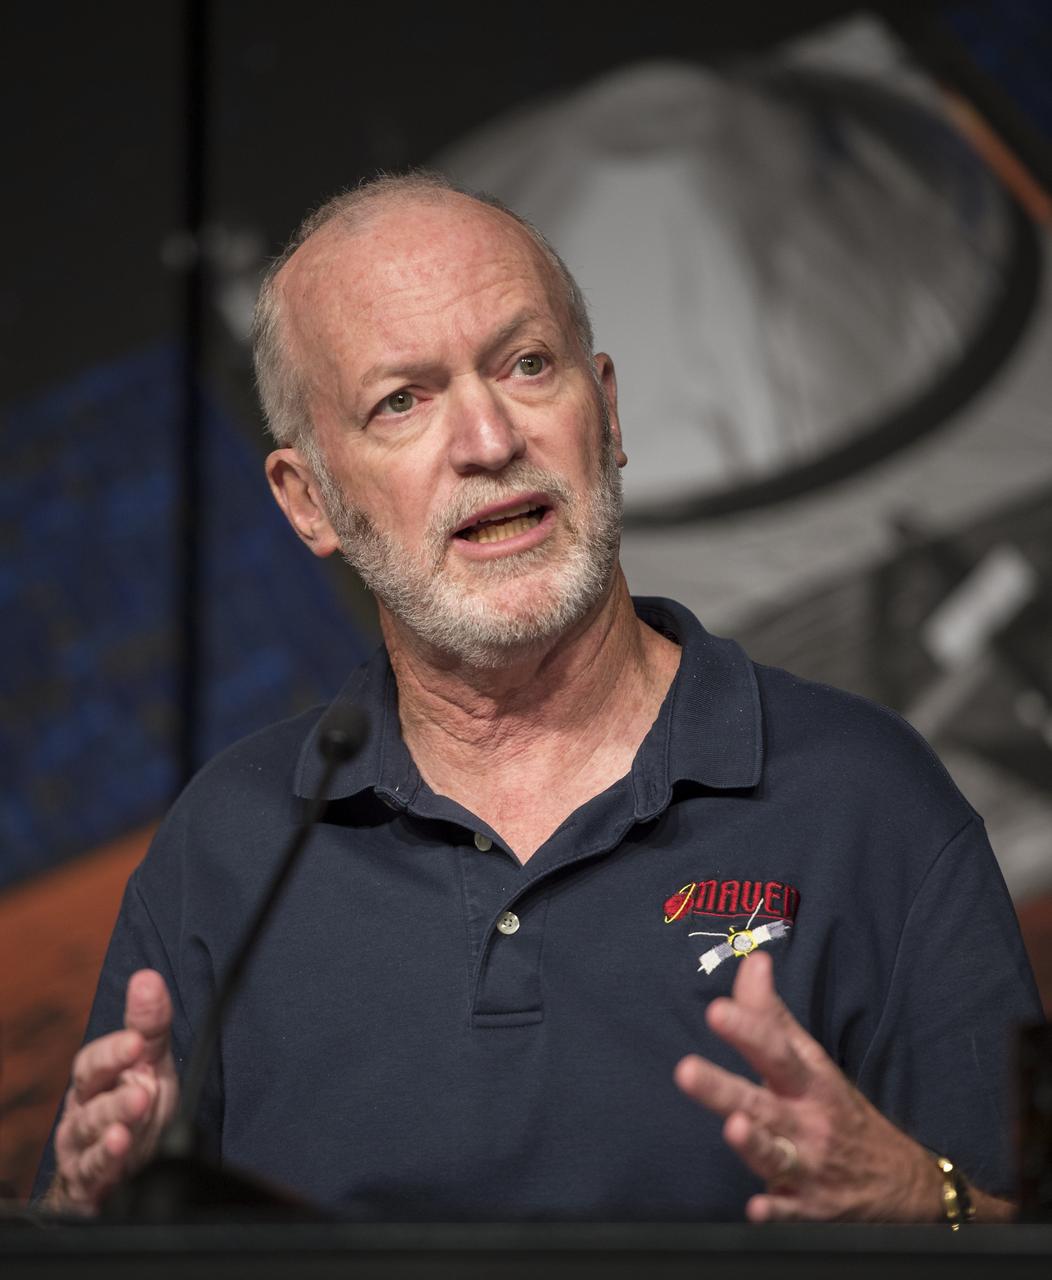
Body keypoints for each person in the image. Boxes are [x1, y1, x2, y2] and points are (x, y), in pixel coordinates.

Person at [37, 173, 1040, 1222]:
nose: (488, 439)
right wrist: (88, 1212)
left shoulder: (865, 795)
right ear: (309, 500)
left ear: (605, 410)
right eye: (402, 401)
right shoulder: (228, 845)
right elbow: (80, 1225)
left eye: (525, 364)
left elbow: (1022, 1233)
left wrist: (920, 1200)